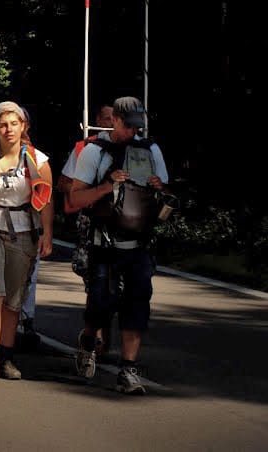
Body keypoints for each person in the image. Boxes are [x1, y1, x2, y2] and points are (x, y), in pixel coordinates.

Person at [70, 96, 168, 395]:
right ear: (113, 120)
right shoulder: (94, 151)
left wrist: (158, 188)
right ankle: (89, 340)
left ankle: (128, 370)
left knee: (137, 306)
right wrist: (107, 185)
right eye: (127, 125)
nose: (132, 132)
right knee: (101, 304)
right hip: (104, 243)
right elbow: (75, 198)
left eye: (137, 126)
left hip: (139, 243)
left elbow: (166, 195)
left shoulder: (150, 149)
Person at [0, 101, 54, 383]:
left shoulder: (38, 160)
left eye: (14, 123)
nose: (8, 129)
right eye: (3, 124)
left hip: (24, 229)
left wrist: (47, 233)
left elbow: (46, 198)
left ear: (24, 126)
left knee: (13, 299)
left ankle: (7, 356)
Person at [57, 103, 114, 354]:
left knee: (118, 286)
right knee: (95, 279)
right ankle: (95, 337)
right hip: (91, 221)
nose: (111, 123)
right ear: (97, 121)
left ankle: (102, 336)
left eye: (115, 118)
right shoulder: (85, 148)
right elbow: (63, 183)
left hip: (123, 223)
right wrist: (89, 191)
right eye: (106, 118)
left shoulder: (135, 148)